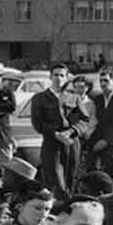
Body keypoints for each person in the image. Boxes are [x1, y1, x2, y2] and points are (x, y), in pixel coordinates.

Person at [31, 63, 92, 200]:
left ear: (66, 78)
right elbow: (38, 123)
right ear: (50, 77)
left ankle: (68, 208)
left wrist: (71, 132)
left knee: (71, 179)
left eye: (62, 75)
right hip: (52, 143)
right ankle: (55, 209)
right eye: (55, 75)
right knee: (55, 181)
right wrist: (56, 134)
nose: (58, 78)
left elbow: (84, 120)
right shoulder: (39, 98)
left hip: (71, 142)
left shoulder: (74, 98)